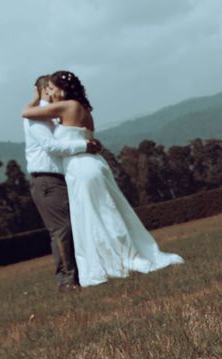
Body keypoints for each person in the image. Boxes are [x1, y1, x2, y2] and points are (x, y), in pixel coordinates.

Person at [22, 71, 183, 287]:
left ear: (60, 89)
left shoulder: (65, 107)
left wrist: (36, 96)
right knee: (104, 212)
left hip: (81, 168)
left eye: (52, 88)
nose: (51, 92)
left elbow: (27, 113)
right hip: (90, 164)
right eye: (47, 89)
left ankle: (113, 261)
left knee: (96, 217)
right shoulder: (77, 108)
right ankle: (115, 258)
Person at [23, 74, 102, 292]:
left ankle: (82, 273)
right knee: (62, 229)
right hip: (46, 179)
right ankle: (67, 280)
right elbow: (51, 147)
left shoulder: (54, 114)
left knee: (74, 226)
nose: (54, 92)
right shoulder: (37, 118)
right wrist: (84, 146)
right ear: (44, 91)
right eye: (49, 88)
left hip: (61, 177)